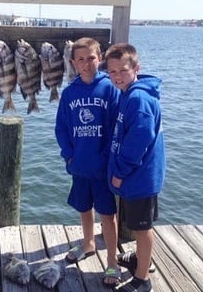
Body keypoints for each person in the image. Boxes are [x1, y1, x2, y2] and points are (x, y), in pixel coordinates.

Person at [55, 37, 121, 287]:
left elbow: (117, 127)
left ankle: (113, 260)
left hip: (103, 167)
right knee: (83, 208)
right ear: (73, 63)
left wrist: (108, 157)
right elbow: (61, 127)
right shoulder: (70, 92)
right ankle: (88, 243)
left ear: (100, 58)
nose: (86, 63)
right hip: (79, 165)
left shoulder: (110, 88)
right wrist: (68, 153)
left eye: (91, 58)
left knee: (107, 214)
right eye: (80, 59)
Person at [105, 43, 165, 292]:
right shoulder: (129, 93)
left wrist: (119, 172)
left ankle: (143, 278)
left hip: (139, 178)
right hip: (136, 178)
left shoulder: (138, 99)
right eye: (112, 72)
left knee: (142, 229)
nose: (117, 76)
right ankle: (140, 259)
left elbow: (138, 140)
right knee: (137, 224)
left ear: (136, 68)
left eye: (123, 70)